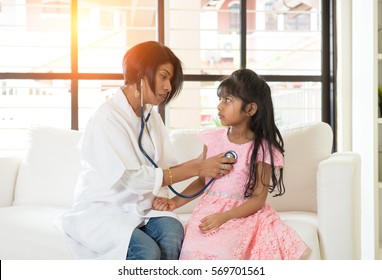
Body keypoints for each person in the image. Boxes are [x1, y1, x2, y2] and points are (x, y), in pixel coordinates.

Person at [55, 41, 236, 260]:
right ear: (140, 73)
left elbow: (165, 169)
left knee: (172, 234)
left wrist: (200, 164)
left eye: (170, 79)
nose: (169, 87)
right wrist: (197, 167)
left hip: (145, 210)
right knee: (147, 252)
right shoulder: (106, 118)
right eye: (163, 76)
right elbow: (134, 180)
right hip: (104, 210)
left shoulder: (151, 116)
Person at [152, 69, 308, 260]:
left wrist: (224, 217)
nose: (219, 106)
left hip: (238, 216)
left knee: (223, 252)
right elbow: (203, 181)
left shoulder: (261, 149)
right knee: (191, 253)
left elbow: (258, 199)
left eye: (227, 100)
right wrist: (174, 203)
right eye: (220, 99)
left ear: (250, 109)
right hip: (207, 212)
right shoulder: (213, 139)